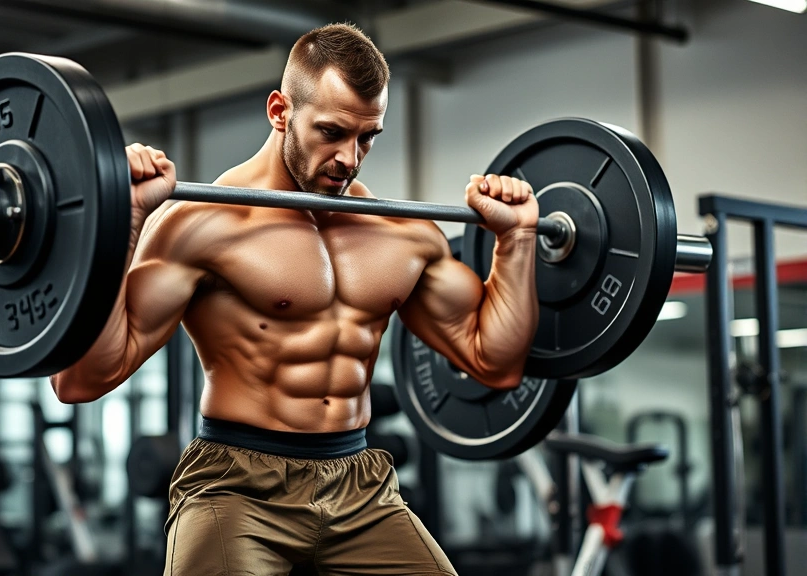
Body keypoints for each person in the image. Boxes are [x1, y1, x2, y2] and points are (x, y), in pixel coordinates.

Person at [53, 23, 538, 575]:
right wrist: (127, 222)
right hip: (237, 487)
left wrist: (517, 240)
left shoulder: (402, 235)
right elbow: (80, 380)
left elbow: (493, 363)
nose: (349, 159)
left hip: (359, 485)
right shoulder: (204, 225)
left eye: (367, 137)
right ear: (280, 110)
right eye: (331, 132)